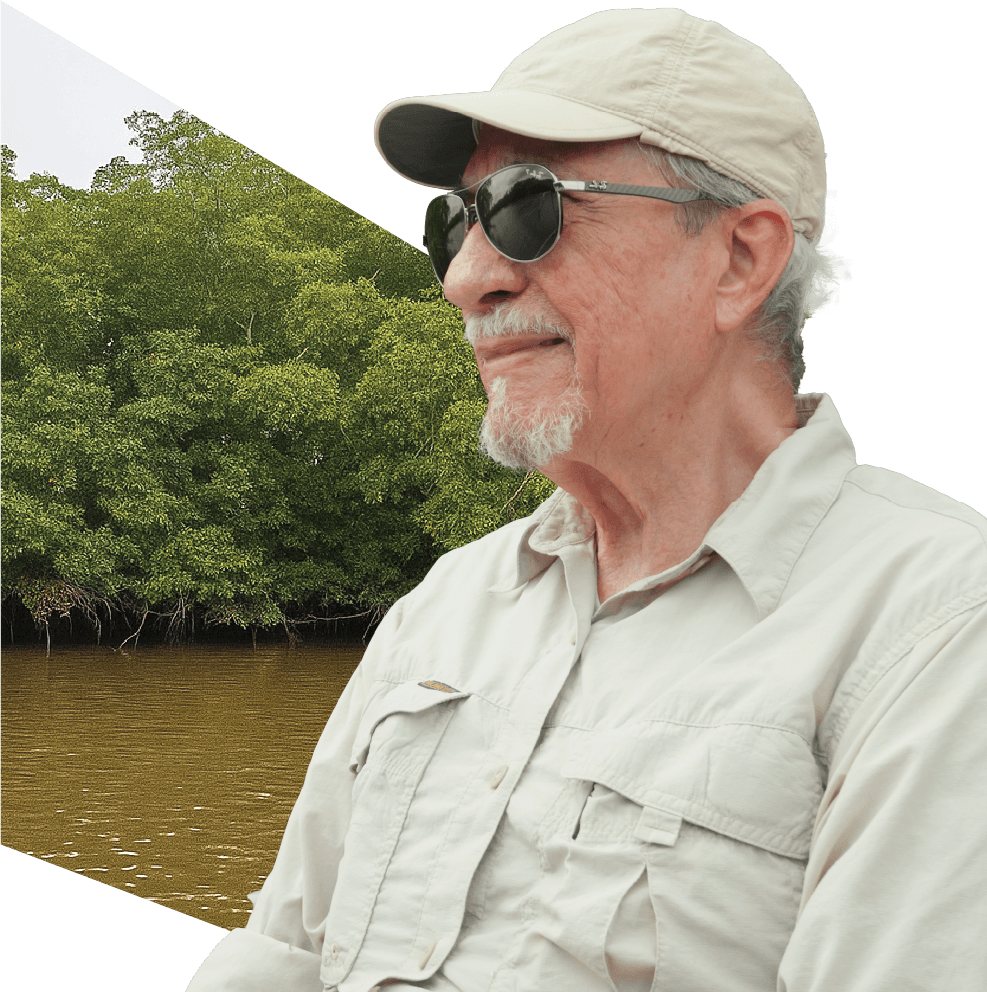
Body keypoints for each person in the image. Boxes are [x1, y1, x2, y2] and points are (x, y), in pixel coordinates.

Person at [187, 9, 987, 991]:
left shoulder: (941, 624)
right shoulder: (445, 605)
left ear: (740, 259)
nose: (466, 278)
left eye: (529, 204)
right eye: (456, 221)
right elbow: (284, 957)